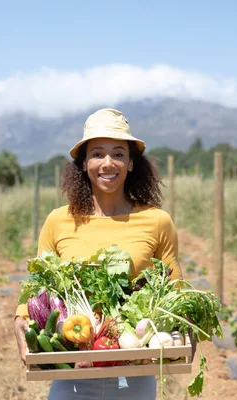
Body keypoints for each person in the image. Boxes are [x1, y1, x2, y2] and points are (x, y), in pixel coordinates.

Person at [13, 107, 182, 399]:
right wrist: (20, 321)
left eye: (118, 153)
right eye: (97, 154)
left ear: (131, 164)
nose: (108, 163)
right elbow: (35, 291)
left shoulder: (157, 221)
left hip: (135, 371)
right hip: (72, 370)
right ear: (83, 164)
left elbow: (174, 289)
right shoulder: (58, 221)